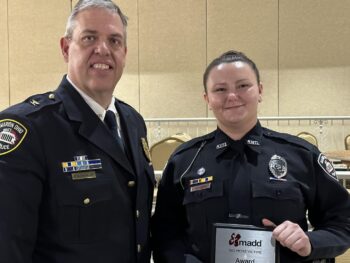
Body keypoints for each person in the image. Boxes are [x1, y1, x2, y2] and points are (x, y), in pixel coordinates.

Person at [151, 50, 350, 262]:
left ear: (260, 90)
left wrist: (311, 242)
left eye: (243, 86)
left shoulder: (301, 156)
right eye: (220, 89)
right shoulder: (184, 161)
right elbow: (165, 233)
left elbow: (342, 223)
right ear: (207, 99)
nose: (232, 96)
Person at [0, 1, 155, 262]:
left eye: (114, 41)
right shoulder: (28, 128)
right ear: (65, 48)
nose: (103, 49)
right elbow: (9, 247)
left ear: (125, 53)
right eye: (89, 38)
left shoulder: (133, 122)